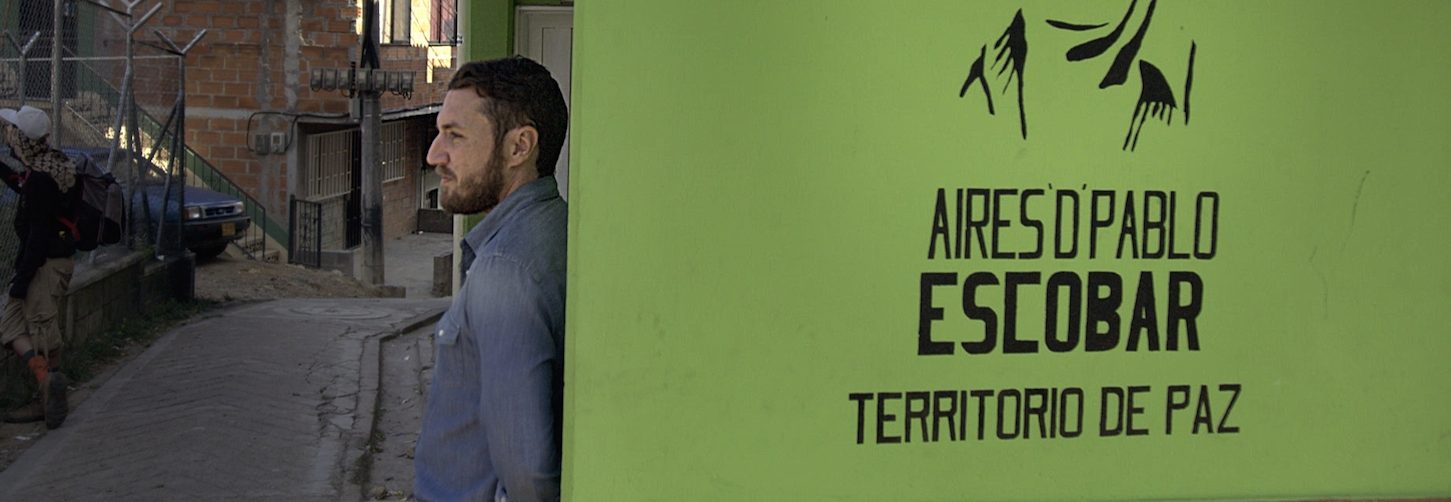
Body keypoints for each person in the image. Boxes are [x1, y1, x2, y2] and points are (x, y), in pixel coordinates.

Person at [414, 56, 569, 502]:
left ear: (519, 147)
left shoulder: (506, 270)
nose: (434, 155)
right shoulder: (558, 229)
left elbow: (528, 473)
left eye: (455, 136)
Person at [0, 105, 75, 430]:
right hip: (41, 262)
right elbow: (23, 183)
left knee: (43, 330)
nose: (7, 134)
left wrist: (23, 278)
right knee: (10, 326)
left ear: (22, 138)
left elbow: (38, 234)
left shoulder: (42, 179)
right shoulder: (49, 165)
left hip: (45, 264)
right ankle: (46, 384)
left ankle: (50, 394)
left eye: (11, 131)